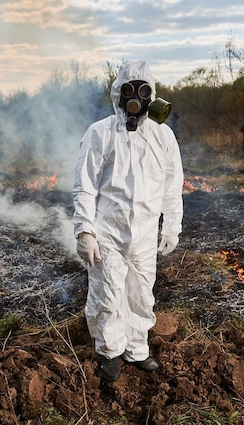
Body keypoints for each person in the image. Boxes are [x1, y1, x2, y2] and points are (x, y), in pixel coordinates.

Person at [72, 60, 184, 381]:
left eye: (143, 90)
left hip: (146, 235)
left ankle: (137, 349)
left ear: (153, 95)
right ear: (117, 93)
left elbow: (172, 185)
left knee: (141, 294)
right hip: (108, 233)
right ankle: (109, 351)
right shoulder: (100, 133)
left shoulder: (163, 137)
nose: (136, 97)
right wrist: (85, 230)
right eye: (129, 89)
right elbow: (85, 184)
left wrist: (172, 225)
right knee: (107, 293)